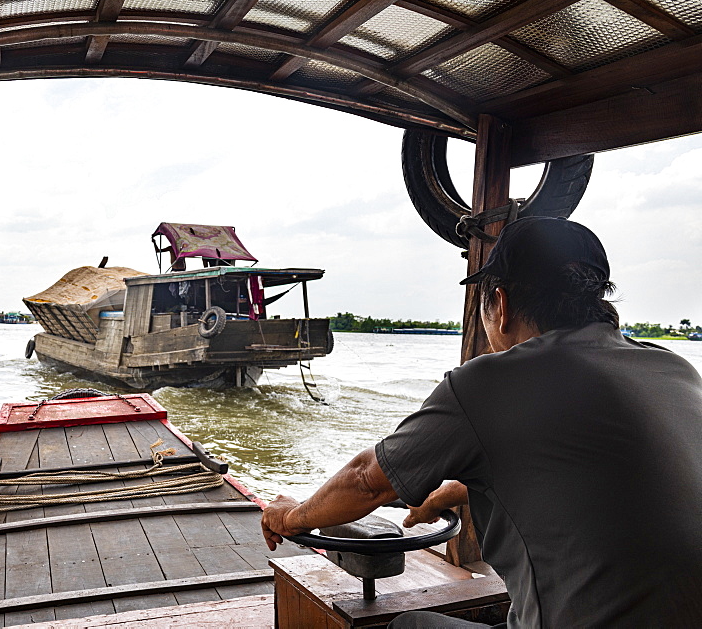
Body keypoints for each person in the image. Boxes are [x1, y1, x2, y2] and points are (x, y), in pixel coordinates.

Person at [261, 217, 702, 628]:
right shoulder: (675, 369)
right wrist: (455, 491)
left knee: (409, 625)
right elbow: (596, 476)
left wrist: (293, 516)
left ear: (501, 303)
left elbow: (367, 482)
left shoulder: (487, 383)